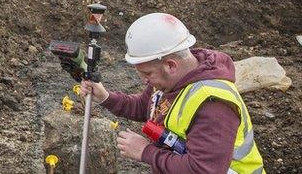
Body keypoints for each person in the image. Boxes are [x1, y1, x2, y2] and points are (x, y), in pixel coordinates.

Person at [80, 13, 265, 173]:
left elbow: (203, 170)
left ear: (170, 65)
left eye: (147, 73)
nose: (144, 80)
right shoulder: (171, 81)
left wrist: (146, 152)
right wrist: (105, 97)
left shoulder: (212, 104)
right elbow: (146, 106)